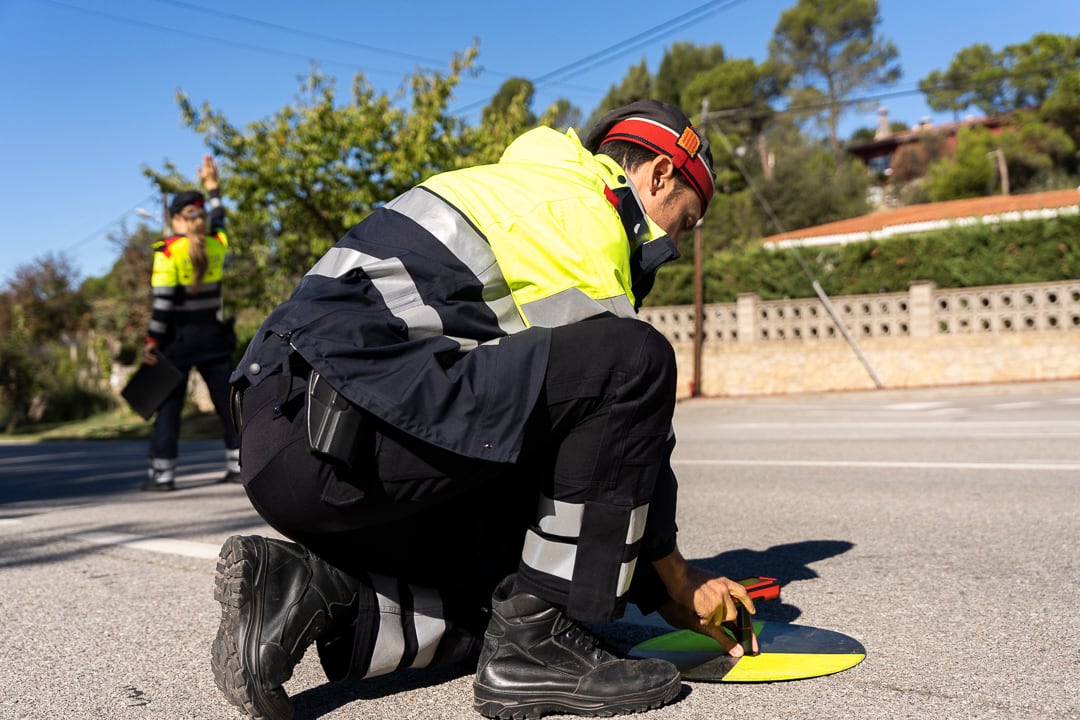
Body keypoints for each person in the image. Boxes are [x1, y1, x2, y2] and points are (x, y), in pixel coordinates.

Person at [213, 99, 759, 720]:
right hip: (339, 429)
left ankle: (310, 592)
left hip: (287, 441)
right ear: (658, 174)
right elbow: (622, 418)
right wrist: (678, 582)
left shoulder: (524, 185)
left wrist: (644, 581)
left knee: (527, 579)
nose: (675, 245)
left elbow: (572, 448)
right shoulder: (584, 216)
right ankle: (537, 649)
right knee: (638, 358)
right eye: (682, 223)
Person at [141, 155, 240, 491]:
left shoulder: (168, 253)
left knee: (168, 408)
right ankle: (239, 464)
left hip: (177, 340)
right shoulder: (217, 245)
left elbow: (163, 306)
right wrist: (213, 186)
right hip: (213, 336)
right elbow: (220, 219)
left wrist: (152, 343)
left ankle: (163, 475)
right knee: (227, 403)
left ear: (175, 219)